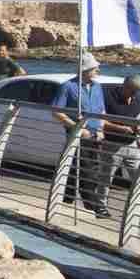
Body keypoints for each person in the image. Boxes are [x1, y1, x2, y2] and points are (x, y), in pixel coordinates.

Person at [53, 54, 110, 215]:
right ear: (85, 70)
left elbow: (102, 111)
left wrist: (100, 129)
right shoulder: (68, 87)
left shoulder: (97, 87)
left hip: (95, 136)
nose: (97, 70)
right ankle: (93, 205)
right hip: (77, 136)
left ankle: (66, 200)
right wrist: (77, 128)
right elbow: (57, 112)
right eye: (94, 68)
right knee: (86, 170)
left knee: (84, 169)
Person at [101, 75, 140, 196]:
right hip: (112, 145)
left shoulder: (137, 100)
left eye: (137, 91)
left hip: (132, 145)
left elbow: (136, 118)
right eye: (132, 90)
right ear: (125, 87)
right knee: (106, 179)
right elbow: (101, 121)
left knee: (139, 178)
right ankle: (101, 207)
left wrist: (138, 127)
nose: (134, 94)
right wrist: (121, 129)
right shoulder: (108, 97)